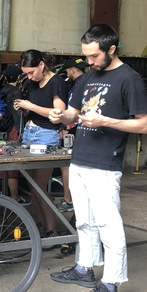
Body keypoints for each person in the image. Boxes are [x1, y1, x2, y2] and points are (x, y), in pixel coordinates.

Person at [48, 24, 147, 292]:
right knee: (84, 219)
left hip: (105, 163)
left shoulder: (129, 79)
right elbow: (74, 113)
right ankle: (84, 268)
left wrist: (105, 121)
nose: (88, 62)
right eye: (85, 56)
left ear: (111, 49)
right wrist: (62, 115)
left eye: (93, 56)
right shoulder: (89, 77)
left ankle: (111, 284)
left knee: (109, 225)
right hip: (80, 158)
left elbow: (144, 124)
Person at [13, 50, 68, 239]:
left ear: (42, 65)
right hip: (30, 133)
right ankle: (43, 226)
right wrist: (23, 108)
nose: (29, 77)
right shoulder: (32, 83)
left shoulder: (56, 83)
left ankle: (52, 230)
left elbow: (58, 114)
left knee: (39, 186)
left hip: (46, 135)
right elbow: (33, 110)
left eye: (31, 72)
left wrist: (31, 106)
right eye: (26, 73)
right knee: (32, 185)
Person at [0, 64, 29, 204]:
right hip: (12, 129)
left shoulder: (0, 90)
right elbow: (18, 115)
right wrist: (21, 130)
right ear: (18, 77)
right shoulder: (16, 93)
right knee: (12, 163)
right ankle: (15, 198)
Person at [57, 57, 89, 213]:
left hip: (75, 129)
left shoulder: (78, 86)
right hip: (84, 129)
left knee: (66, 165)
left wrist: (65, 128)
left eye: (67, 71)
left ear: (72, 70)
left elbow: (73, 111)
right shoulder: (87, 82)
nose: (67, 74)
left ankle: (68, 200)